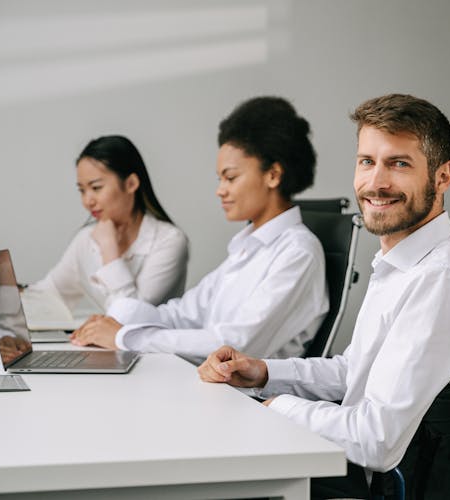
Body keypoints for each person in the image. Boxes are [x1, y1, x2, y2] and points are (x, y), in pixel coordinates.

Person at [198, 94, 450, 498]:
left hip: (372, 488)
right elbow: (353, 371)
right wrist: (263, 374)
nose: (376, 182)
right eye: (367, 161)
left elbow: (376, 440)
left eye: (399, 163)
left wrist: (274, 408)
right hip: (346, 471)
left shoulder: (440, 280)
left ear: (443, 177)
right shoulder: (400, 261)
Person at [70, 96, 329, 365]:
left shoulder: (298, 252)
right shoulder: (247, 249)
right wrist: (116, 319)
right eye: (220, 179)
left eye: (230, 177)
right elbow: (183, 314)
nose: (220, 190)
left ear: (273, 175)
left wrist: (125, 337)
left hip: (245, 399)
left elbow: (234, 345)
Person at [0, 135, 189, 313]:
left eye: (96, 188)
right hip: (111, 354)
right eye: (82, 190)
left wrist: (109, 250)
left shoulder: (170, 241)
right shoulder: (86, 239)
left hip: (157, 359)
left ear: (131, 183)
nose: (88, 201)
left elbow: (129, 317)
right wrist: (5, 291)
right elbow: (50, 298)